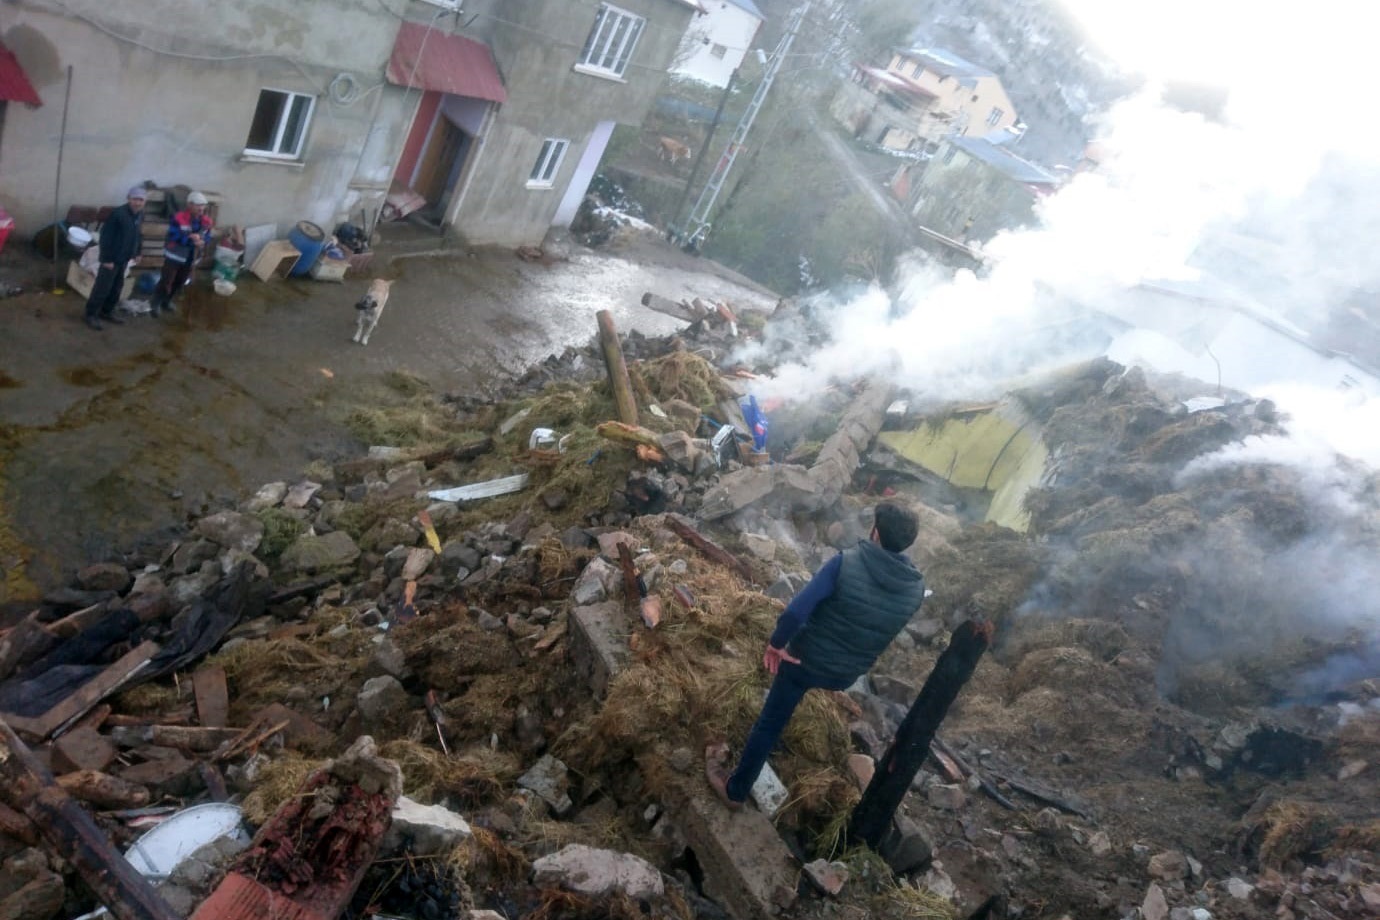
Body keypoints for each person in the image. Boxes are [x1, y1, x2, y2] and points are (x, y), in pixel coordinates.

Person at [706, 501, 926, 809]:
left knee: (769, 722)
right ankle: (778, 742)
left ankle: (735, 790)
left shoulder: (845, 562)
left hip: (804, 662)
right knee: (796, 690)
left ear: (875, 532)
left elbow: (796, 612)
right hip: (847, 673)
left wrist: (776, 644)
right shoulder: (916, 589)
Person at [83, 186, 146, 331]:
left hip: (124, 259)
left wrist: (138, 252)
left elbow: (138, 235)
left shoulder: (139, 214)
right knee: (102, 288)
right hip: (111, 259)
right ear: (128, 199)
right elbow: (105, 238)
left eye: (141, 200)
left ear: (144, 202)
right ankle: (91, 314)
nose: (138, 203)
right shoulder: (117, 214)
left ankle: (107, 311)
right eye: (135, 199)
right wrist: (106, 259)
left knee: (116, 287)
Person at [149, 190, 213, 316]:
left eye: (203, 205)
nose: (201, 208)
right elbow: (173, 235)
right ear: (189, 205)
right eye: (197, 205)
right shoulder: (178, 218)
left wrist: (203, 242)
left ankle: (167, 301)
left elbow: (207, 236)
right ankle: (155, 303)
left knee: (181, 280)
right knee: (167, 280)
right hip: (175, 256)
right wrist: (190, 239)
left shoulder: (206, 221)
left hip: (191, 258)